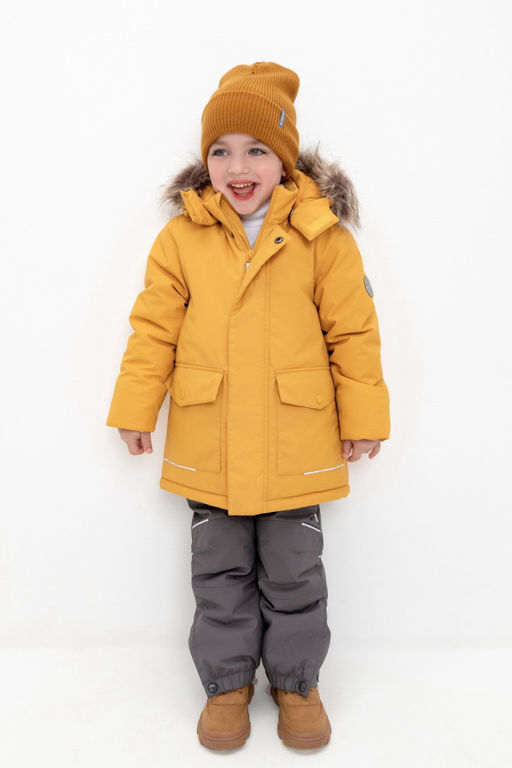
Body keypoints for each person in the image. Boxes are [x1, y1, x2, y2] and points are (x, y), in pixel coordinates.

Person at [106, 61, 390, 750]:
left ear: (285, 159)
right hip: (212, 443)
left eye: (257, 149)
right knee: (219, 573)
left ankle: (296, 683)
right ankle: (227, 683)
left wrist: (363, 419)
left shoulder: (323, 237)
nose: (238, 167)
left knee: (295, 573)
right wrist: (136, 406)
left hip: (297, 443)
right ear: (204, 160)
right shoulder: (183, 238)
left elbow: (353, 333)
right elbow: (154, 328)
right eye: (221, 150)